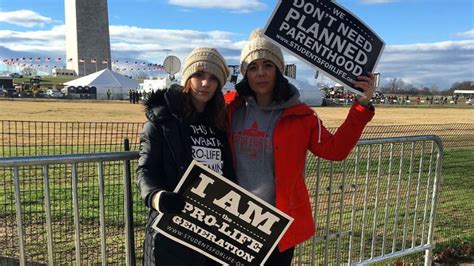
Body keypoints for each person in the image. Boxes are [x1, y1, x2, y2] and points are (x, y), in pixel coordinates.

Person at [225, 29, 376, 265]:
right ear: (245, 73)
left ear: (279, 70)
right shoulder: (229, 108)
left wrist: (361, 105)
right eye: (253, 67)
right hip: (230, 218)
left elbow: (335, 150)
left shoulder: (301, 116)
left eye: (268, 65)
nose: (261, 73)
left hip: (277, 223)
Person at [137, 47, 235, 265]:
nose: (205, 83)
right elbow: (146, 169)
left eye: (212, 78)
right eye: (199, 75)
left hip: (212, 228)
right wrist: (155, 197)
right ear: (187, 77)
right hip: (171, 226)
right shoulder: (162, 120)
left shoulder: (222, 122)